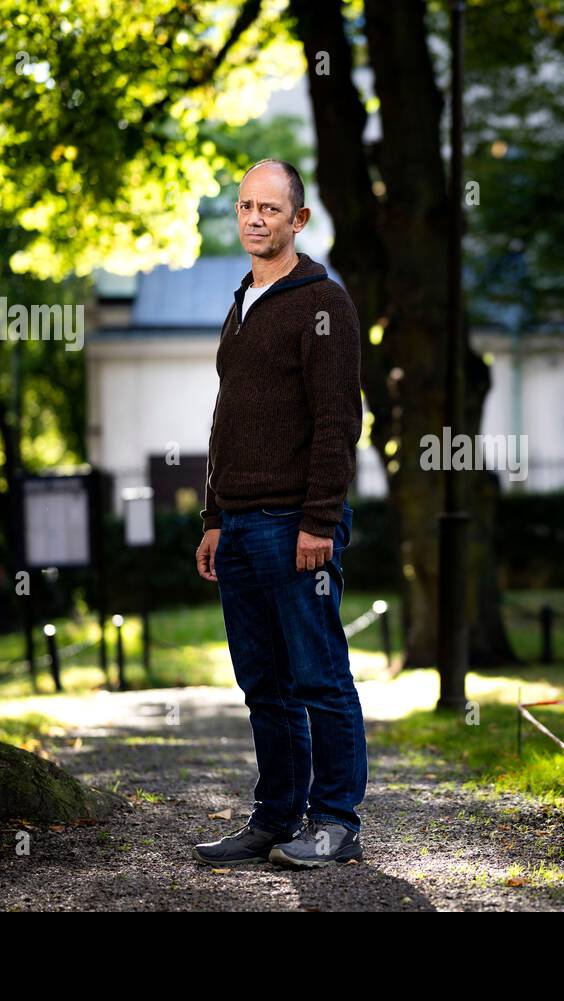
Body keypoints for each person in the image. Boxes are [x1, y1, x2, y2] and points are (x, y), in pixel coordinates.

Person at [192, 159, 366, 869]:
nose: (255, 219)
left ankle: (335, 822)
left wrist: (319, 523)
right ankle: (275, 817)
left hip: (295, 523)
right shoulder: (242, 302)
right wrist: (212, 515)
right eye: (245, 207)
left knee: (319, 677)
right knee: (262, 684)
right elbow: (225, 421)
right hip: (237, 525)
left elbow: (337, 423)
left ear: (298, 220)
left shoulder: (323, 302)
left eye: (270, 208)